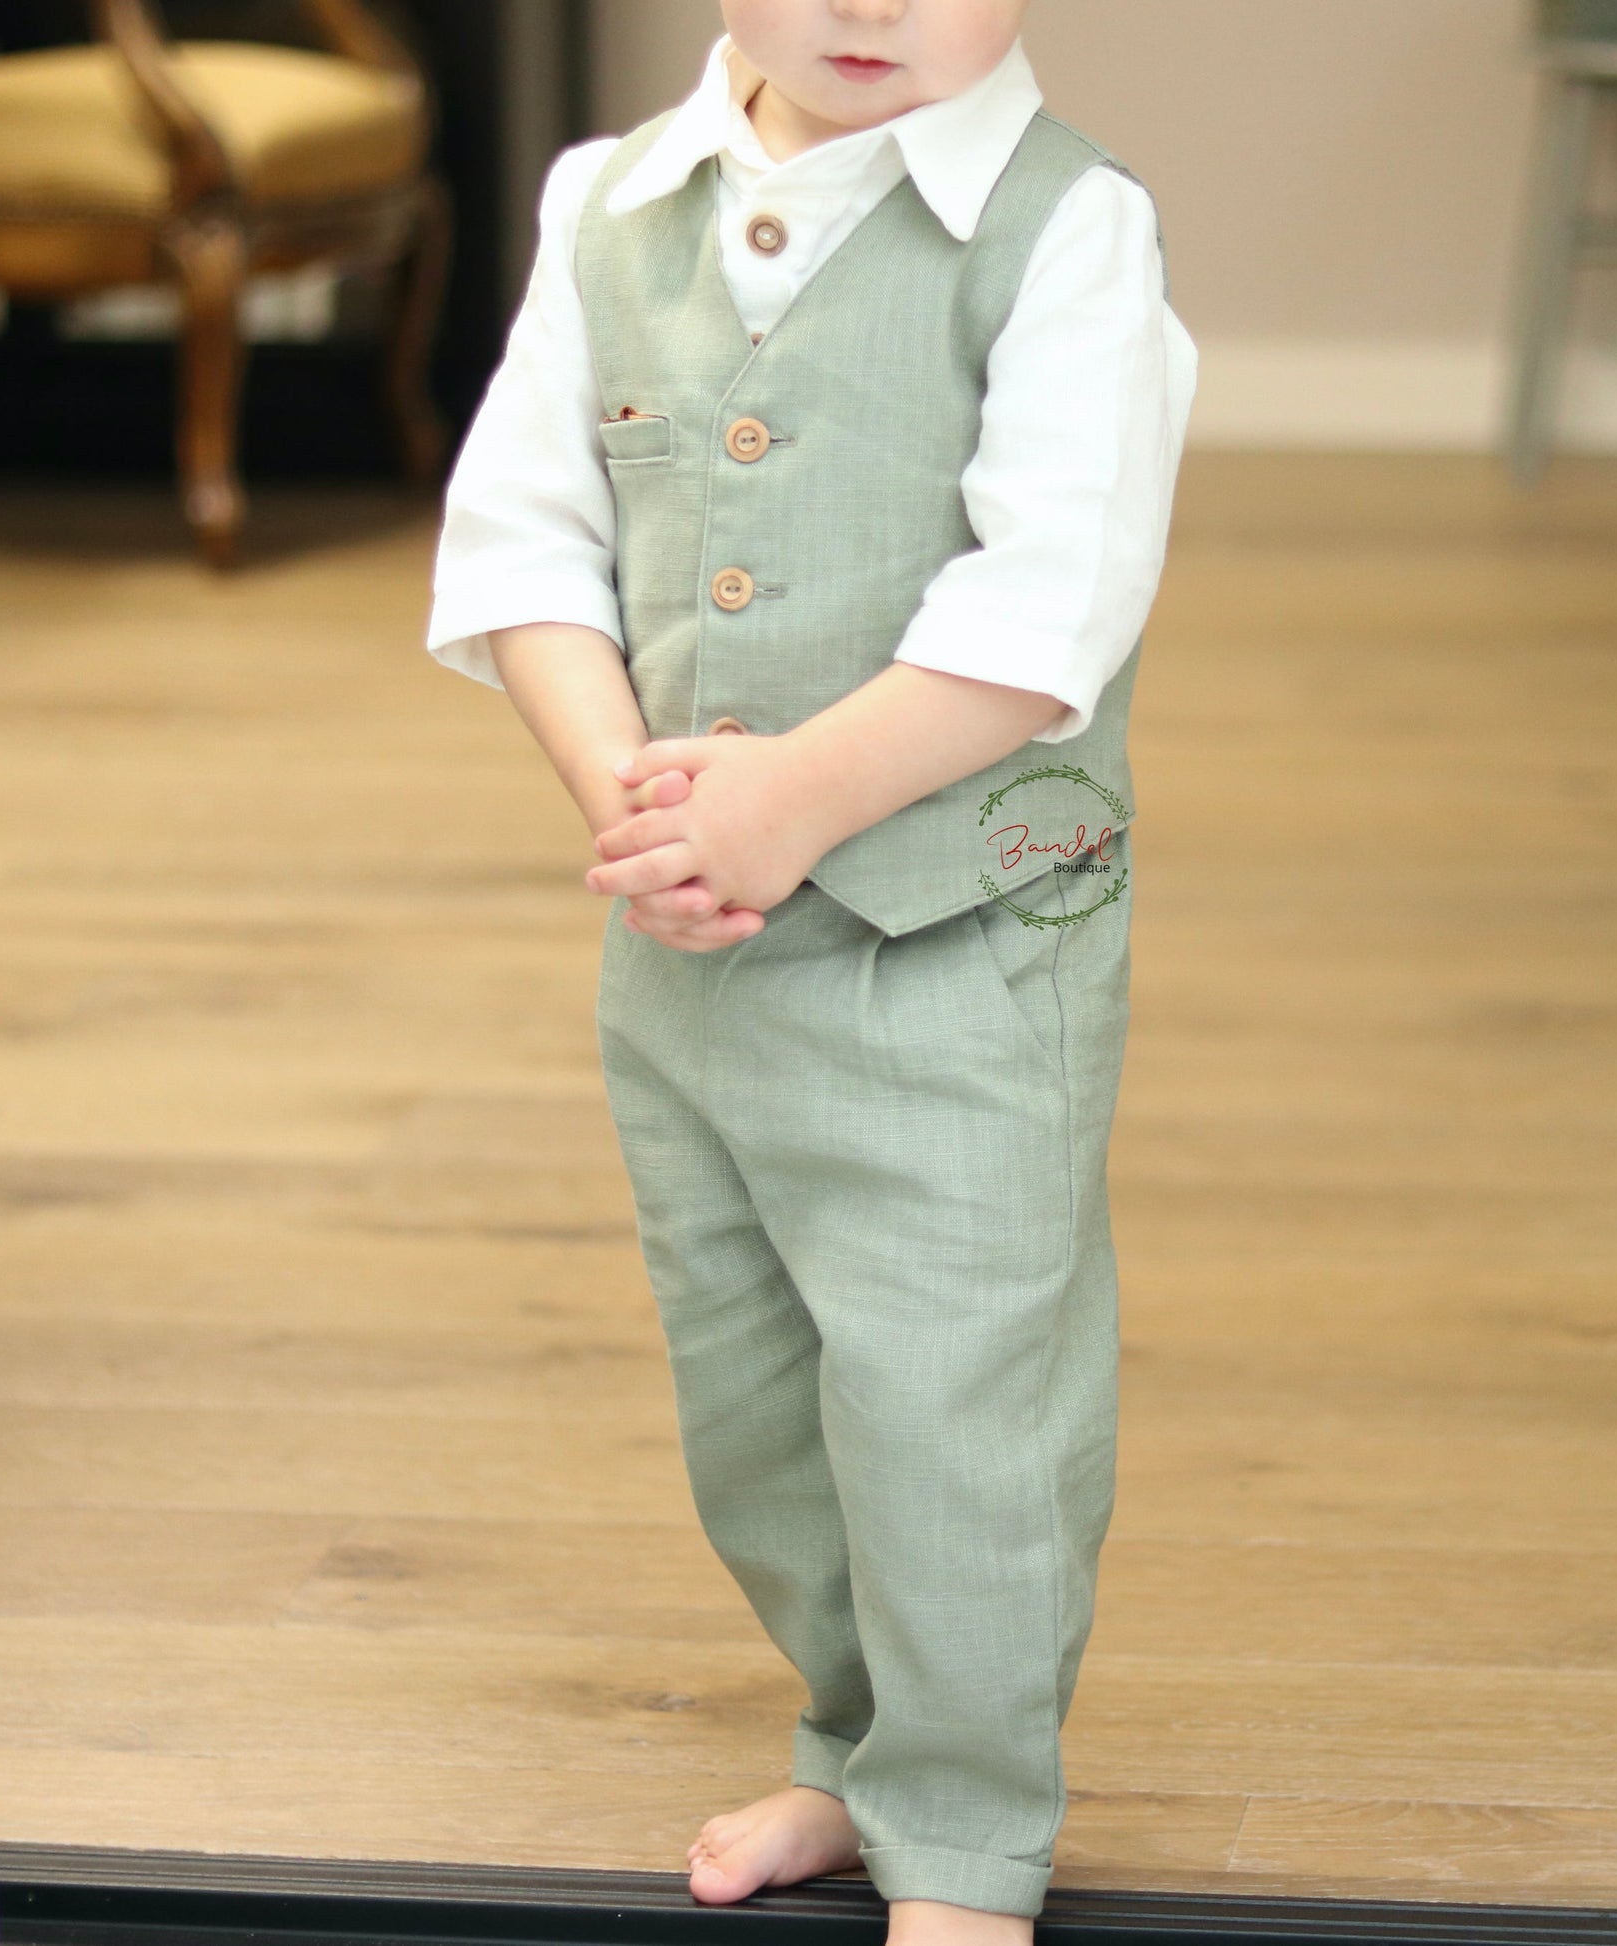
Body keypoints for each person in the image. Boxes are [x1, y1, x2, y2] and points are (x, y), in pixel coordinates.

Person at [425, 3, 1195, 1940]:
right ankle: (853, 1746)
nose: (869, 4)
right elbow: (526, 535)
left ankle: (964, 1833)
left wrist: (790, 801)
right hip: (692, 950)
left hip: (947, 947)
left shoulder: (1067, 227)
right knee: (754, 1390)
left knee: (955, 1392)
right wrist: (644, 809)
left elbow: (1049, 601)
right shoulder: (608, 204)